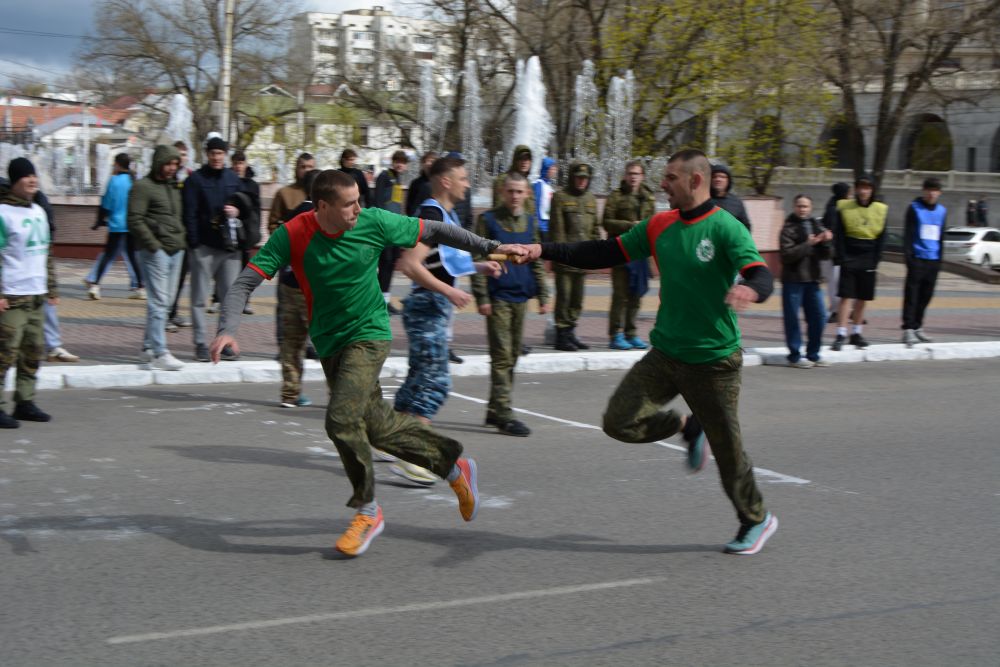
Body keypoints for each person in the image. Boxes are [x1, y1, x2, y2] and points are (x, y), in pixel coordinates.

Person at [209, 169, 528, 557]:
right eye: (349, 204)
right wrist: (227, 329)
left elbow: (438, 230)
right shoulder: (293, 233)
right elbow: (245, 282)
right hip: (330, 342)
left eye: (359, 200)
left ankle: (367, 511)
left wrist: (493, 246)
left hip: (370, 334)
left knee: (341, 420)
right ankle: (453, 466)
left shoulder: (374, 221)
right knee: (375, 427)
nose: (358, 209)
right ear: (322, 206)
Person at [517, 148, 778, 555]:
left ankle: (756, 519)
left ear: (695, 180)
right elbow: (603, 252)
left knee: (729, 453)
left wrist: (750, 289)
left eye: (671, 177)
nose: (663, 184)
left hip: (714, 360)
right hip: (667, 353)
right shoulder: (659, 225)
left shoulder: (726, 228)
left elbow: (761, 274)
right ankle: (687, 427)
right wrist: (542, 250)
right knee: (618, 422)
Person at [392, 156, 502, 482]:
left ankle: (388, 439)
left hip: (430, 305)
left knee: (418, 379)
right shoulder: (431, 215)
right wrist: (449, 292)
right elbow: (410, 264)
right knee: (435, 382)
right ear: (445, 181)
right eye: (463, 178)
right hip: (428, 306)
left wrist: (480, 267)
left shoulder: (445, 215)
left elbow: (442, 263)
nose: (468, 184)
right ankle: (413, 456)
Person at [471, 172, 549, 437]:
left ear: (527, 194)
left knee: (512, 355)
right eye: (510, 191)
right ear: (503, 192)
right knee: (502, 356)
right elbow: (478, 257)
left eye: (519, 191)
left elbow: (536, 259)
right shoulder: (488, 220)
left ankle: (495, 409)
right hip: (498, 297)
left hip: (520, 297)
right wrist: (482, 298)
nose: (515, 196)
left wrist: (543, 295)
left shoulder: (530, 221)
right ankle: (504, 414)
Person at [183, 136, 256, 362]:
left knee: (230, 299)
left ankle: (224, 342)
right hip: (204, 247)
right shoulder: (195, 180)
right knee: (199, 298)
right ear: (207, 154)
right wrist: (194, 244)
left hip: (229, 249)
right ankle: (199, 343)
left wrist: (237, 211)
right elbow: (189, 213)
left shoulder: (233, 178)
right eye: (213, 153)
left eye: (220, 153)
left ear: (225, 155)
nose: (216, 157)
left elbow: (246, 206)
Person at [0, 157, 56, 428]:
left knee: (33, 352)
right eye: (26, 176)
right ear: (15, 181)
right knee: (4, 353)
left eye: (34, 175)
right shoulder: (3, 213)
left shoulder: (38, 211)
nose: (33, 180)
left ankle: (25, 401)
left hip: (36, 295)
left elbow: (47, 253)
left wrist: (52, 288)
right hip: (11, 296)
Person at [129, 144, 186, 371]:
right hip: (156, 252)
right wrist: (154, 246)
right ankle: (160, 352)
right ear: (158, 163)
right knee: (159, 302)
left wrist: (182, 240)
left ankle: (147, 347)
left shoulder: (174, 187)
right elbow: (134, 219)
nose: (172, 168)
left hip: (176, 249)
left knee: (166, 302)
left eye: (175, 164)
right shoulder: (143, 187)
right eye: (168, 163)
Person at [274, 169, 321, 409]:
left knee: (292, 342)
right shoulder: (322, 217)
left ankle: (290, 393)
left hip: (288, 284)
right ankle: (339, 394)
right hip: (314, 288)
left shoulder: (293, 215)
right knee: (329, 341)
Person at [602, 160, 656, 350]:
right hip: (620, 250)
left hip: (639, 252)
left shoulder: (648, 197)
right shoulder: (616, 196)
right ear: (625, 175)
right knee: (620, 295)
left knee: (636, 294)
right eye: (630, 173)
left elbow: (653, 223)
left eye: (637, 174)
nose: (633, 177)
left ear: (642, 176)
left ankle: (631, 332)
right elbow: (606, 222)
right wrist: (630, 225)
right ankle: (615, 334)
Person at [831, 173, 887, 351]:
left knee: (863, 297)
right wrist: (841, 256)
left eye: (867, 188)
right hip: (849, 255)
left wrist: (876, 259)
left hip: (869, 256)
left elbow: (882, 237)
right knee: (846, 296)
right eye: (861, 187)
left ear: (872, 190)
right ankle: (841, 334)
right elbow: (839, 234)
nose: (863, 191)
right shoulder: (844, 207)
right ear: (856, 189)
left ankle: (856, 333)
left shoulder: (881, 209)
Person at [549, 162, 600, 351]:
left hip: (583, 258)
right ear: (572, 177)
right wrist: (562, 256)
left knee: (577, 299)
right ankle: (561, 335)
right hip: (566, 259)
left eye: (585, 178)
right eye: (578, 177)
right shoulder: (560, 197)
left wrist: (596, 252)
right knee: (564, 298)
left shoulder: (590, 198)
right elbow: (557, 231)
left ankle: (571, 332)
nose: (581, 181)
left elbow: (594, 229)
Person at [779, 195, 832, 368]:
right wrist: (808, 244)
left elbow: (826, 255)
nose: (802, 209)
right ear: (794, 207)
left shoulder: (816, 225)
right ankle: (795, 356)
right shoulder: (788, 227)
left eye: (806, 206)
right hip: (793, 279)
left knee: (820, 315)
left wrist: (826, 242)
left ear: (811, 208)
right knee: (792, 318)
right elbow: (786, 255)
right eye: (799, 206)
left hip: (813, 279)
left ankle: (813, 354)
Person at [84, 153, 143, 300]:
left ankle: (95, 286)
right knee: (133, 257)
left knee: (108, 255)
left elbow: (106, 204)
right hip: (131, 225)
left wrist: (99, 221)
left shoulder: (114, 181)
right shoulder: (133, 181)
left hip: (116, 225)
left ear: (117, 164)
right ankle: (141, 288)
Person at [901, 178, 946, 346]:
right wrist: (909, 258)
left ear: (939, 193)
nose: (932, 193)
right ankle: (908, 329)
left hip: (933, 260)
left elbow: (941, 236)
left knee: (926, 295)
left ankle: (918, 326)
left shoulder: (942, 211)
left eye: (935, 190)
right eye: (929, 189)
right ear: (923, 191)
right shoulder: (914, 208)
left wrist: (940, 260)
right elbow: (908, 235)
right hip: (917, 259)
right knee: (912, 295)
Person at [373, 150, 410, 315]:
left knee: (390, 265)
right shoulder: (384, 176)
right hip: (385, 228)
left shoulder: (398, 178)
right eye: (397, 161)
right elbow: (378, 201)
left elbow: (397, 206)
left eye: (403, 162)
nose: (400, 164)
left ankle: (385, 301)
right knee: (385, 264)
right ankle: (379, 302)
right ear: (392, 161)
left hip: (395, 228)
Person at [166, 140, 194, 332]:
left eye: (184, 154)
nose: (181, 158)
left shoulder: (190, 176)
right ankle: (164, 315)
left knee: (180, 278)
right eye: (178, 154)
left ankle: (173, 311)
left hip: (185, 236)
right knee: (166, 279)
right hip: (168, 236)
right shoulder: (167, 177)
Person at [230, 151, 261, 316]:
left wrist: (255, 232)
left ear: (245, 164)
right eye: (235, 163)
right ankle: (218, 298)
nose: (238, 166)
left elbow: (256, 210)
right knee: (227, 269)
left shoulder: (252, 184)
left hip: (246, 232)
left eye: (241, 163)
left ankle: (246, 300)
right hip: (229, 231)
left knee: (245, 269)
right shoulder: (227, 180)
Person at [820, 182, 851, 321]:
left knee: (841, 283)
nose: (850, 196)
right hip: (835, 254)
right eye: (848, 193)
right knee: (835, 283)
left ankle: (845, 310)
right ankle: (835, 311)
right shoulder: (834, 209)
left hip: (841, 253)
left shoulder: (836, 207)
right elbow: (834, 232)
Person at [492, 145, 536, 218]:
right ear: (515, 160)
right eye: (520, 159)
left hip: (525, 223)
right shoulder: (503, 179)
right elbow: (498, 208)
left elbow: (531, 209)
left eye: (527, 159)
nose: (524, 162)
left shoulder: (528, 183)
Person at [710, 163, 752, 232]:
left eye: (722, 177)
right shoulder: (702, 200)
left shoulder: (736, 202)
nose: (718, 179)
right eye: (714, 176)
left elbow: (746, 227)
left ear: (728, 180)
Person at [532, 157, 558, 242]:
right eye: (552, 168)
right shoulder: (538, 184)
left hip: (549, 227)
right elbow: (535, 205)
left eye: (555, 169)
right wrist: (537, 225)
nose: (555, 171)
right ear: (546, 169)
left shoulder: (549, 186)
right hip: (541, 228)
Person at [405, 151, 437, 217]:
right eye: (425, 161)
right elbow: (409, 205)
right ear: (422, 164)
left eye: (432, 161)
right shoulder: (415, 183)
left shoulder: (439, 183)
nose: (428, 164)